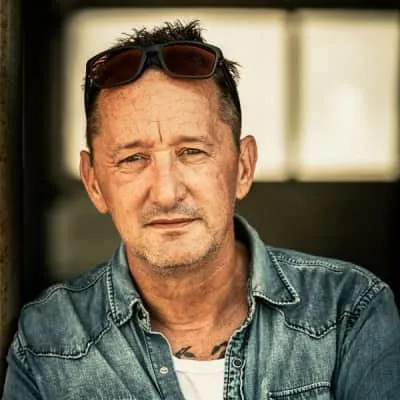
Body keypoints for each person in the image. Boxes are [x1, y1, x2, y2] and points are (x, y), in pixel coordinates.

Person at [3, 20, 400, 400]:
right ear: (93, 182)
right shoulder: (49, 337)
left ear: (243, 167)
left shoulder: (349, 310)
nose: (166, 193)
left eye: (192, 152)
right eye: (133, 158)